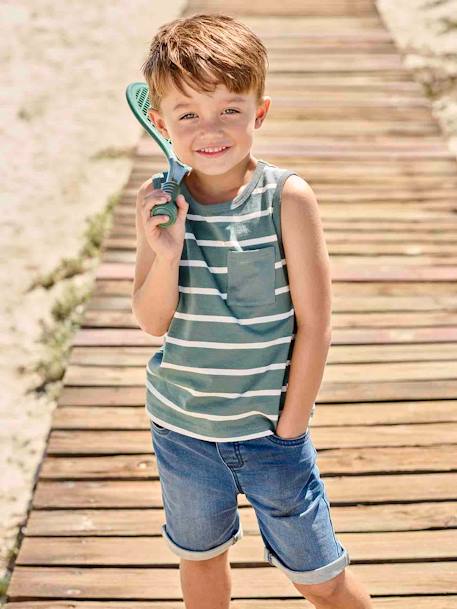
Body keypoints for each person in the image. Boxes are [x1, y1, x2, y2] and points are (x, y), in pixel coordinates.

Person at [132, 12, 374, 609]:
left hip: (271, 435)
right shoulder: (161, 202)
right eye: (187, 114)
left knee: (321, 577)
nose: (209, 129)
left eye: (229, 111)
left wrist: (291, 426)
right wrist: (165, 251)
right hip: (182, 429)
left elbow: (315, 327)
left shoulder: (285, 198)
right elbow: (152, 322)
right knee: (201, 566)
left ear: (258, 113)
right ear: (160, 123)